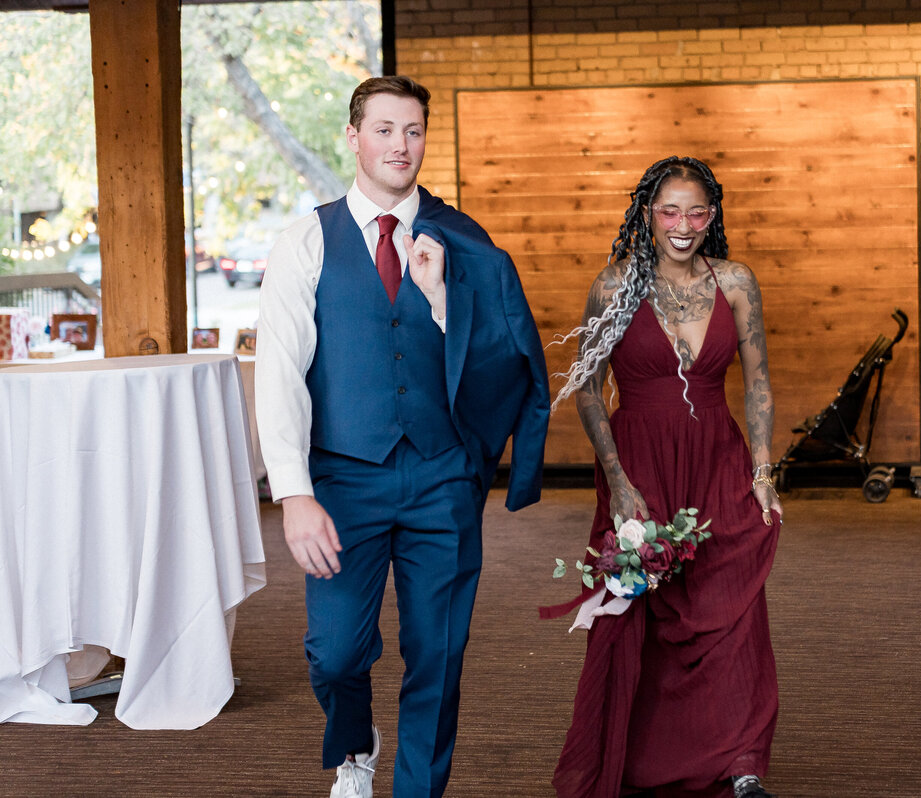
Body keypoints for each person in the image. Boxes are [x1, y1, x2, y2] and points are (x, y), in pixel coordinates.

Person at [255, 75, 550, 798]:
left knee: (438, 655)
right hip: (343, 481)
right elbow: (280, 374)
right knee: (333, 653)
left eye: (413, 131)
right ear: (353, 137)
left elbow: (507, 363)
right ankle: (355, 744)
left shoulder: (465, 243)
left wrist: (442, 300)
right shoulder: (305, 240)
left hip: (441, 479)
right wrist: (294, 494)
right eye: (384, 129)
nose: (400, 145)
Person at [549, 156, 783, 797]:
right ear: (648, 214)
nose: (683, 224)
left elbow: (758, 381)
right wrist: (619, 482)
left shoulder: (736, 282)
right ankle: (633, 758)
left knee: (730, 608)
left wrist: (763, 471)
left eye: (697, 211)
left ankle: (741, 763)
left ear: (713, 216)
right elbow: (591, 392)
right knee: (637, 612)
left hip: (717, 460)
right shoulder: (615, 285)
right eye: (670, 210)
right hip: (640, 463)